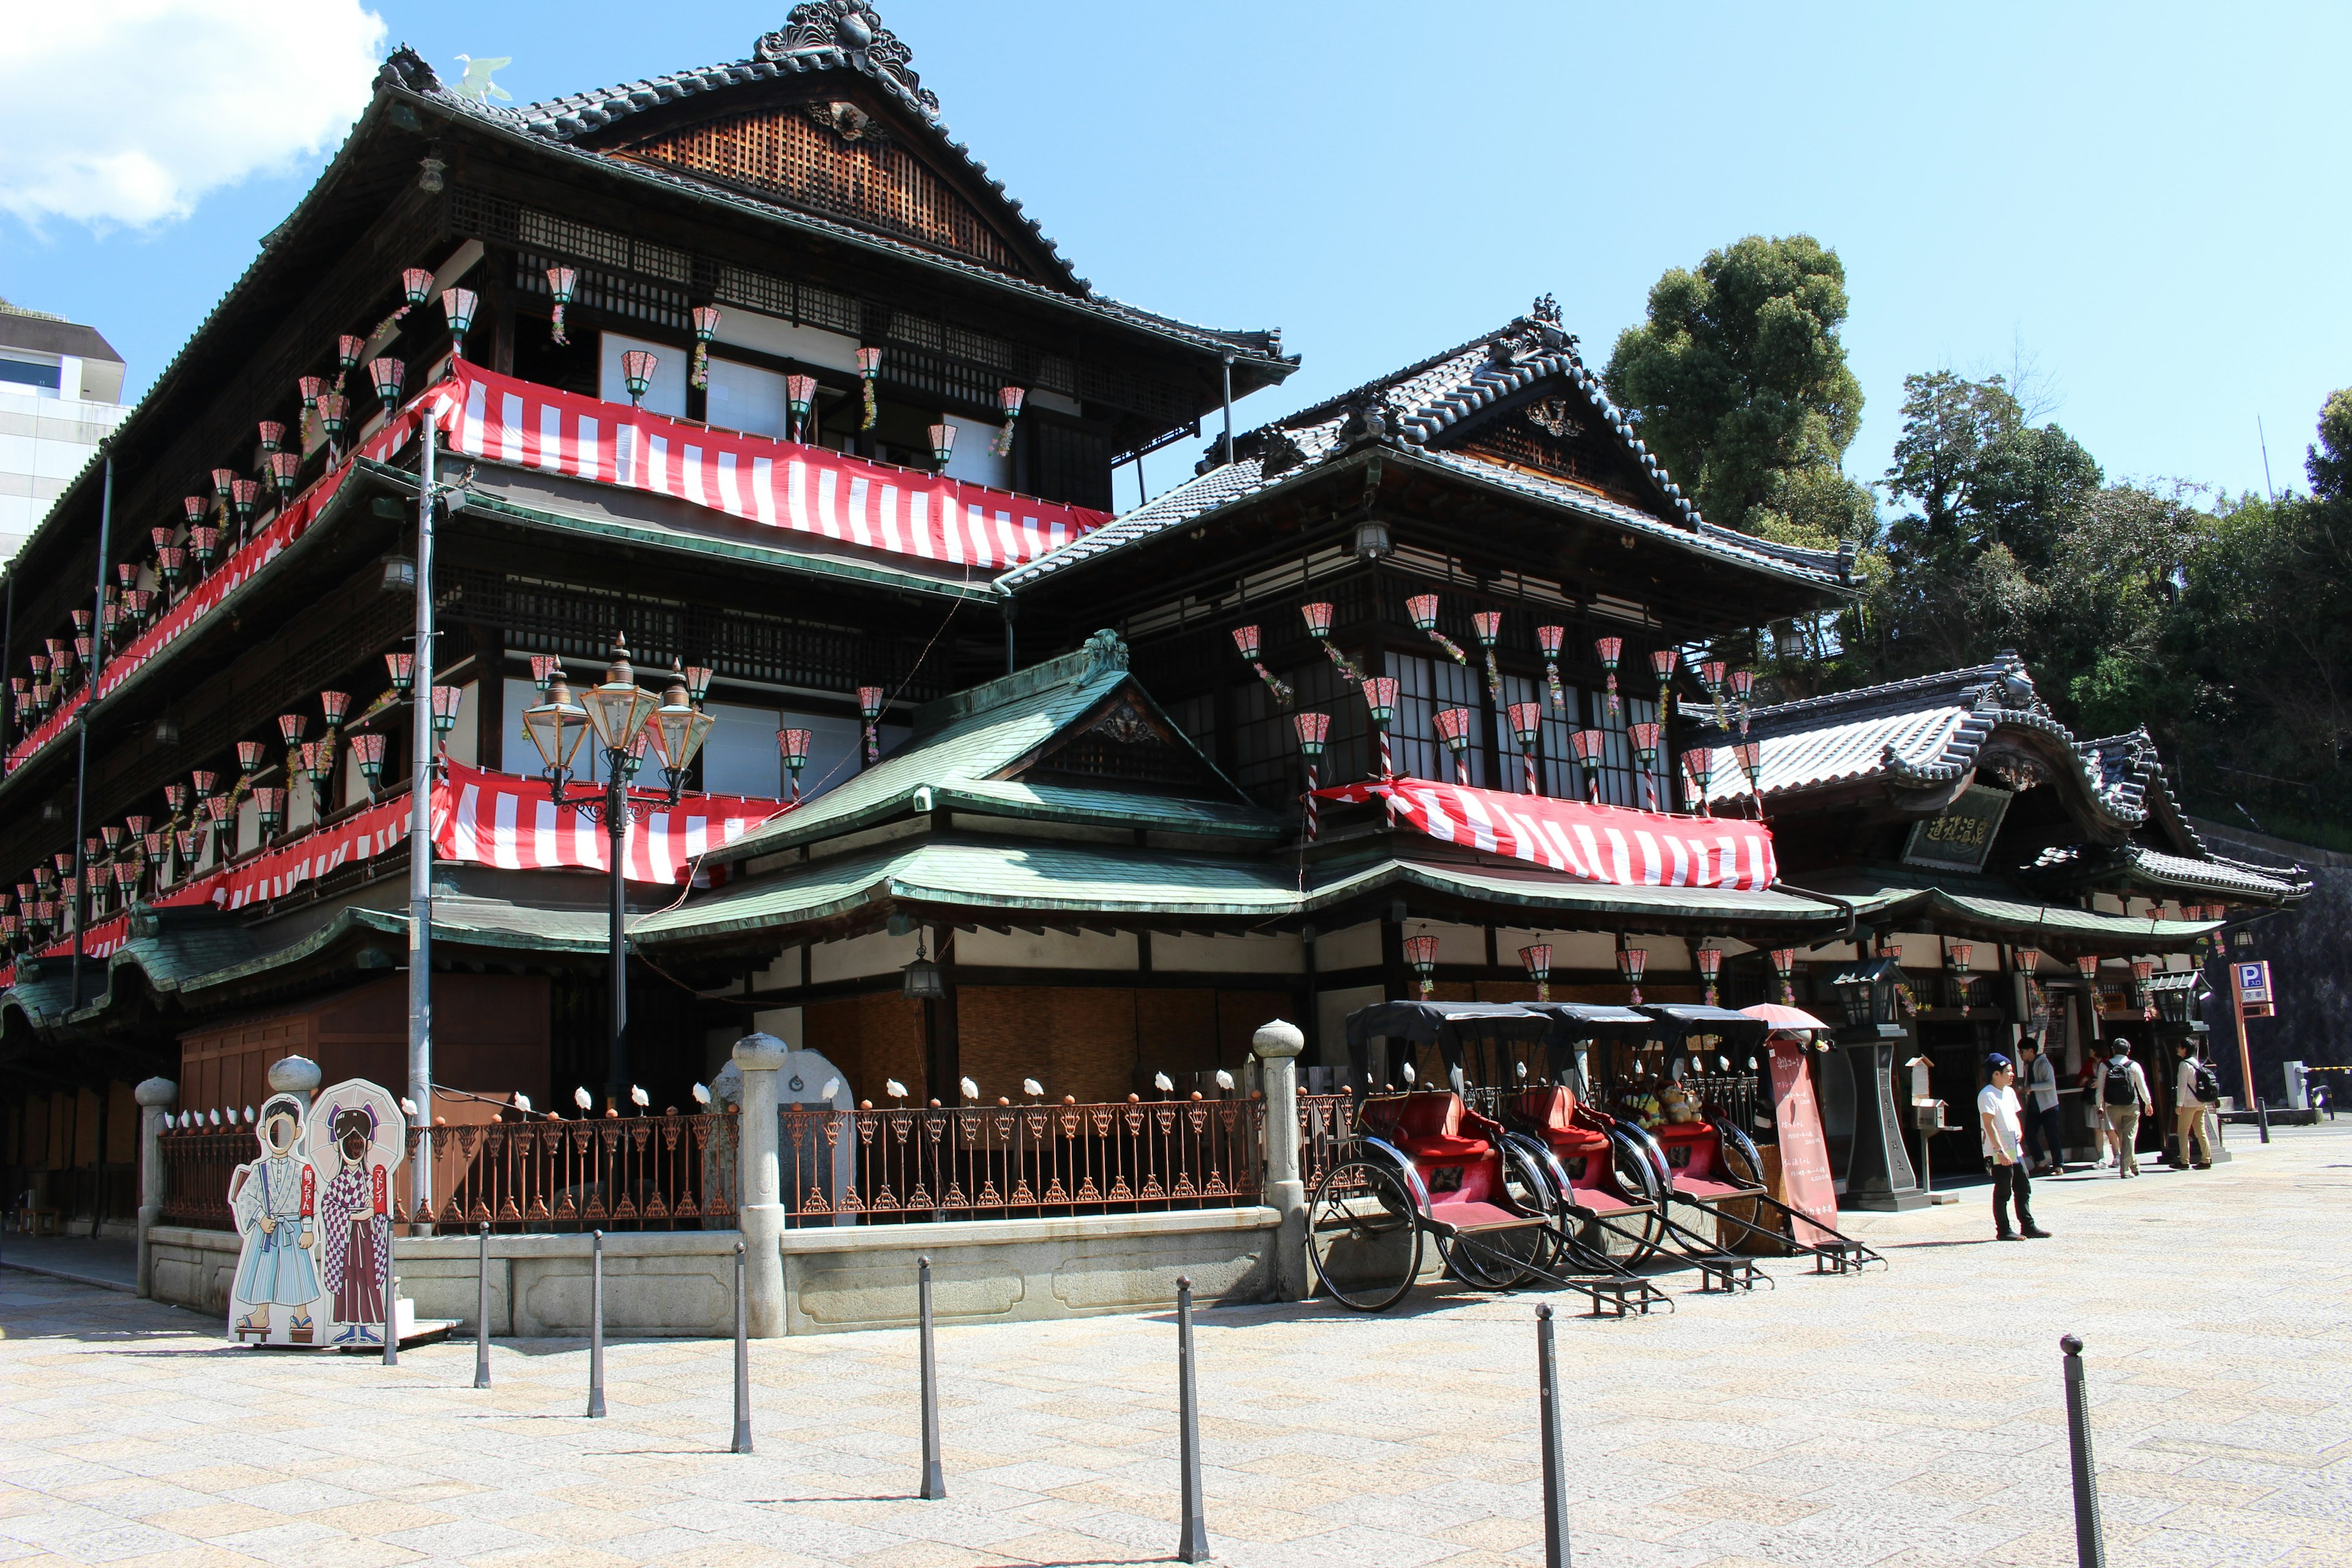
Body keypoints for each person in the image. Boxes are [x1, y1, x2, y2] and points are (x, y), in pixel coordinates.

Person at [1978, 1054, 2049, 1240]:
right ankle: (2004, 1230)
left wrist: (2019, 1132)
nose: (2012, 1074)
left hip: (2014, 1146)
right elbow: (1989, 1124)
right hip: (1998, 1148)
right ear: (1996, 1074)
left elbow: (2015, 1116)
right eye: (2008, 1071)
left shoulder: (2009, 1092)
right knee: (2003, 1190)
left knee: (2023, 1186)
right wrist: (1999, 1150)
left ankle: (2028, 1225)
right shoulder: (1987, 1095)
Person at [2098, 1038, 2154, 1177]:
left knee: (2124, 1136)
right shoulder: (2134, 1066)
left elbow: (2100, 1088)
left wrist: (2100, 1105)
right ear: (2129, 1051)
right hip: (2131, 1105)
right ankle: (2126, 1169)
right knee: (2128, 1137)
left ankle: (2134, 1165)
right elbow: (2142, 1086)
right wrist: (2148, 1102)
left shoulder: (2104, 1066)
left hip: (2112, 1107)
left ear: (2113, 1050)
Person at [2020, 1040, 2065, 1175]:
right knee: (2029, 1134)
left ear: (2031, 1051)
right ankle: (2041, 1162)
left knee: (2052, 1135)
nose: (2021, 1054)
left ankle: (2058, 1166)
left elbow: (2051, 1084)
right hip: (2034, 1106)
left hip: (2048, 1105)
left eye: (2022, 1051)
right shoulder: (2028, 1066)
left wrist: (2031, 1088)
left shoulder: (2044, 1064)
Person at [2173, 1042, 2216, 1169]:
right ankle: (2206, 1159)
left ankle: (2184, 1160)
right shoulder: (2197, 1063)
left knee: (2183, 1132)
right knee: (2200, 1131)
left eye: (2179, 1046)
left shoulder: (2184, 1065)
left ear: (2184, 1049)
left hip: (2188, 1102)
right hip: (2200, 1101)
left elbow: (2182, 1086)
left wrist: (2179, 1104)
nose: (2177, 1048)